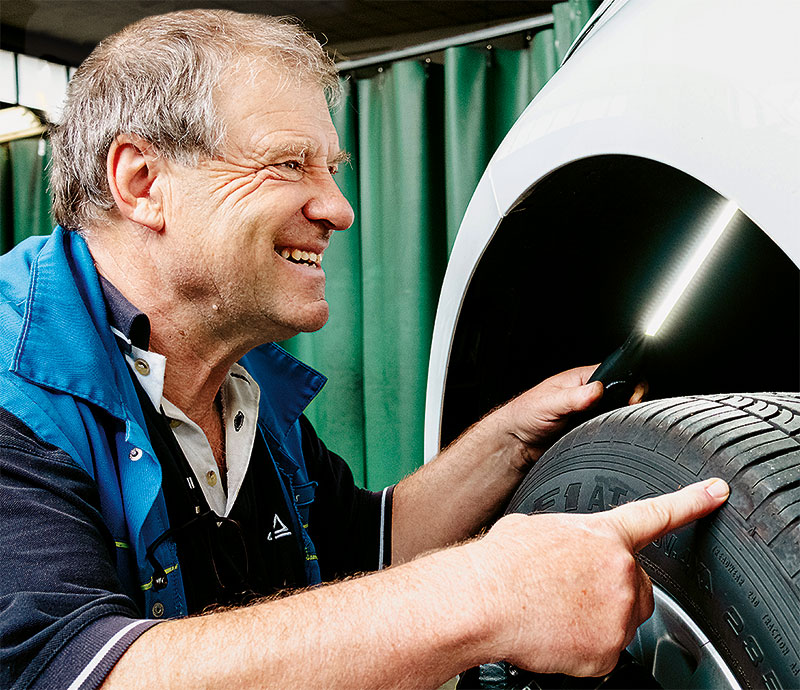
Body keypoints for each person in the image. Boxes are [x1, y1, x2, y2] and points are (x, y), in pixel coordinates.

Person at [0, 9, 730, 690]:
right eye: (290, 165)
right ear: (142, 183)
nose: (338, 209)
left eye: (334, 169)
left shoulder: (240, 384)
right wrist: (487, 594)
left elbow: (368, 550)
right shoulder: (15, 387)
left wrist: (511, 440)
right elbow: (78, 672)